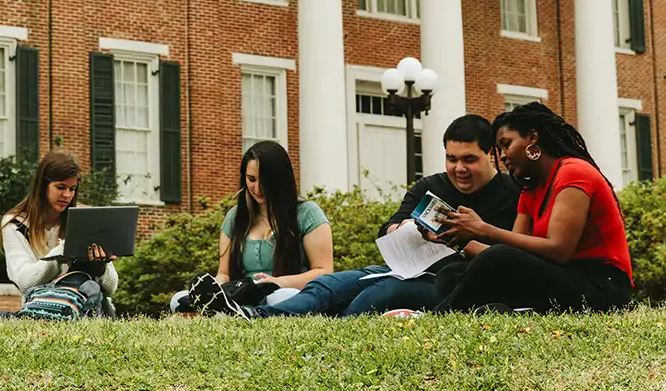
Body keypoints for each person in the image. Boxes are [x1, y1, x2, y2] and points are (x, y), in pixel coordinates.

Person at [196, 115, 518, 319]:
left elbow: (513, 261)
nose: (459, 168)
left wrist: (463, 241)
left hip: (455, 282)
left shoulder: (511, 193)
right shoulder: (430, 186)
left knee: (377, 296)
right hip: (407, 268)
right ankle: (252, 313)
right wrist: (404, 227)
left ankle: (328, 327)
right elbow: (389, 226)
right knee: (327, 284)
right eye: (451, 159)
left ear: (490, 154)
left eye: (469, 160)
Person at [434, 102, 633, 313]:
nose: (501, 156)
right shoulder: (531, 189)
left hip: (603, 286)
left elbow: (559, 250)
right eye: (499, 149)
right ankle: (499, 311)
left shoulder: (574, 172)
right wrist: (463, 238)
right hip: (562, 277)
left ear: (533, 138)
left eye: (506, 144)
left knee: (495, 258)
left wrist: (484, 229)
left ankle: (437, 317)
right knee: (452, 273)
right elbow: (511, 256)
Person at [177, 140, 332, 314]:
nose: (258, 188)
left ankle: (239, 312)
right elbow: (224, 273)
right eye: (251, 179)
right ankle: (225, 309)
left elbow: (324, 272)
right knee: (178, 299)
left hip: (288, 294)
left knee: (281, 297)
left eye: (266, 180)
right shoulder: (234, 217)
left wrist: (276, 282)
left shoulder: (306, 213)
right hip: (243, 296)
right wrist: (212, 290)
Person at [0, 151, 118, 315]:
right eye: (60, 187)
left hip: (88, 308)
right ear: (42, 186)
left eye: (72, 188)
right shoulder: (15, 224)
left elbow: (111, 288)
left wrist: (100, 266)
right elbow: (25, 282)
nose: (67, 195)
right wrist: (64, 249)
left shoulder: (84, 219)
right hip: (44, 309)